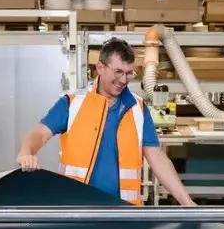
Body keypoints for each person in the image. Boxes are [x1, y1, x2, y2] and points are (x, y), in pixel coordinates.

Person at [16, 37, 195, 206]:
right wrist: (27, 152)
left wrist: (187, 202)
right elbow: (39, 133)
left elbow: (156, 157)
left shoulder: (137, 108)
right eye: (118, 72)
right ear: (100, 68)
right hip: (76, 209)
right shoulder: (72, 104)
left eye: (128, 73)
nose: (123, 80)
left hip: (124, 213)